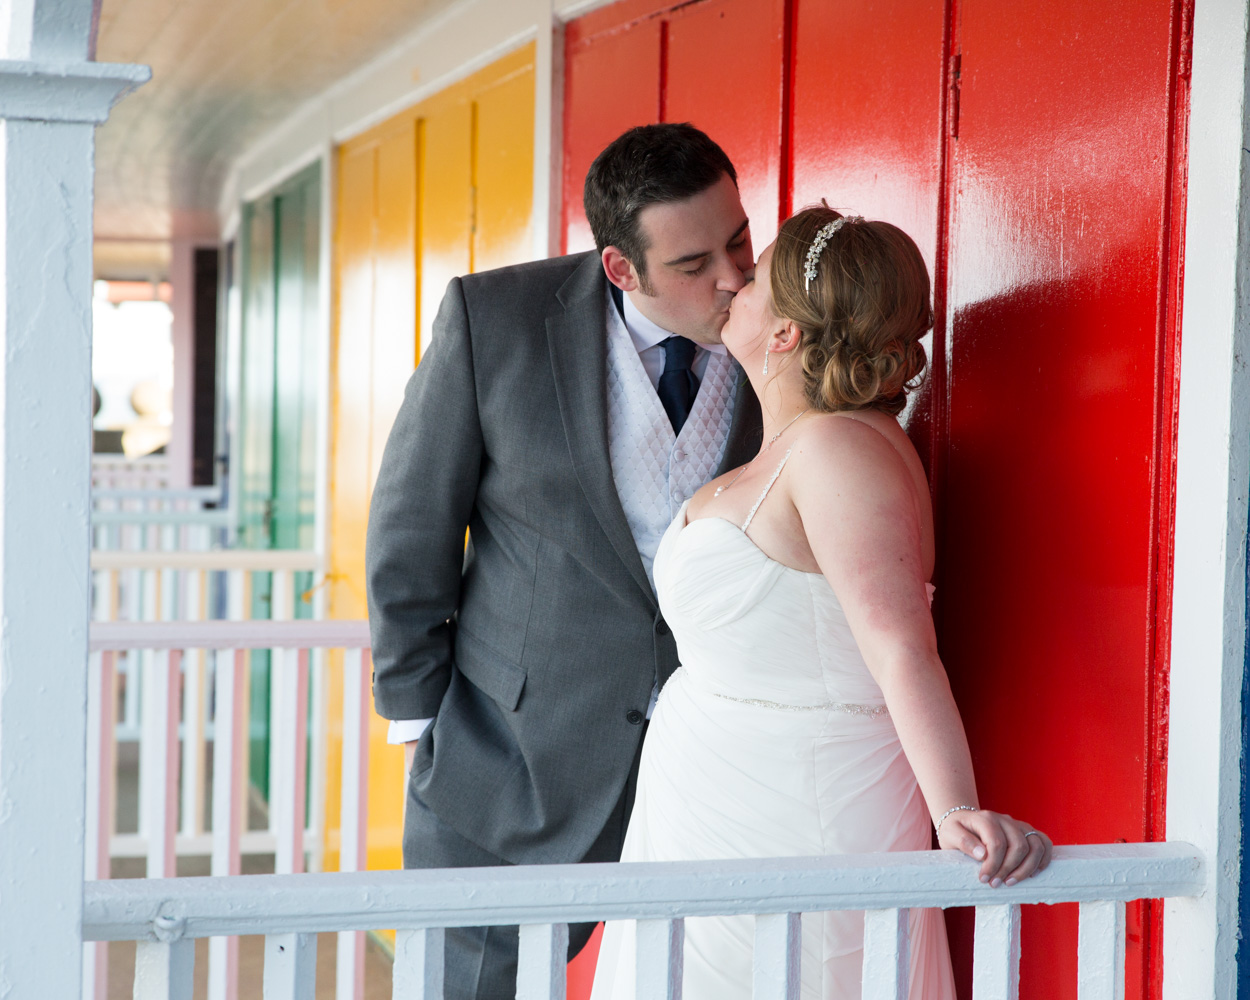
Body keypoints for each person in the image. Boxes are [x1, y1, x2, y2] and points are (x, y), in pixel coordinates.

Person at [589, 207, 1053, 999]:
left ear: (784, 337)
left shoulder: (840, 451)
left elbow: (900, 643)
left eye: (755, 278)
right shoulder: (802, 442)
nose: (732, 283)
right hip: (705, 807)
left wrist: (955, 813)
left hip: (794, 816)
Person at [365, 123, 762, 1000]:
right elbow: (411, 521)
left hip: (716, 768)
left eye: (738, 237)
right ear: (622, 268)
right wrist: (418, 718)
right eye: (694, 264)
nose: (734, 276)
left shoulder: (779, 328)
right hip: (508, 755)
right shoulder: (493, 319)